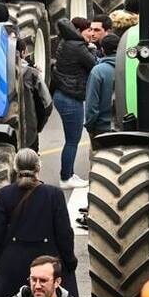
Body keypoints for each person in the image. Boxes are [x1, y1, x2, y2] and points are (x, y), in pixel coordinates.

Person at [0, 149, 78, 297]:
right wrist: (69, 262)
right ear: (38, 168)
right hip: (48, 264)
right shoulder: (54, 194)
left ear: (15, 168)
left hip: (13, 268)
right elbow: (64, 234)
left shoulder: (4, 194)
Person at [52, 17, 98, 188]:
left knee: (71, 139)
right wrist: (92, 50)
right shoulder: (78, 47)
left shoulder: (66, 42)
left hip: (62, 95)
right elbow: (94, 65)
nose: (91, 34)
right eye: (88, 30)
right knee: (72, 140)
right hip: (71, 98)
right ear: (79, 31)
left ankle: (69, 174)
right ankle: (66, 178)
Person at [84, 32, 119, 138]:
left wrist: (90, 126)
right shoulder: (129, 68)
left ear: (103, 50)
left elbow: (91, 105)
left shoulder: (98, 71)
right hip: (125, 126)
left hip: (102, 129)